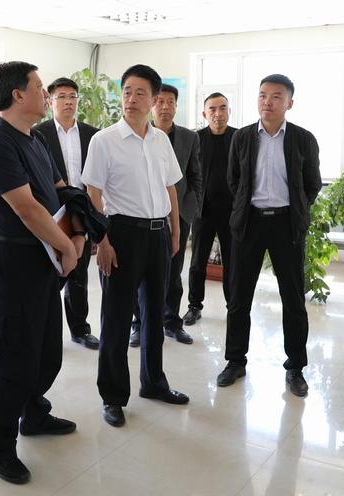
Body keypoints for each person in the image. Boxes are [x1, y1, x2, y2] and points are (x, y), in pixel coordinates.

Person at [0, 61, 82, 485]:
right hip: (14, 261)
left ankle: (34, 414)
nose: (46, 93)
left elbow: (58, 190)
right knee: (12, 359)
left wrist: (79, 233)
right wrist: (67, 248)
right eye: (40, 87)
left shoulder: (34, 138)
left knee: (44, 352)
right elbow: (27, 209)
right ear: (18, 94)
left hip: (44, 259)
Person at [82, 64, 190, 429]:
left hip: (159, 234)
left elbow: (171, 187)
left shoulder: (160, 140)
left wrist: (175, 231)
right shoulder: (104, 140)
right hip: (121, 235)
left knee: (155, 315)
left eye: (139, 92)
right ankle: (113, 396)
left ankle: (154, 383)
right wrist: (102, 240)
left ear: (155, 99)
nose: (131, 98)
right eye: (126, 91)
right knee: (116, 319)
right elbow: (93, 193)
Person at [218, 74, 322, 397]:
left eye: (276, 96)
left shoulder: (303, 139)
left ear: (289, 103)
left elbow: (312, 184)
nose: (268, 102)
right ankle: (235, 361)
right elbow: (234, 181)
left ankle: (295, 367)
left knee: (293, 299)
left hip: (286, 225)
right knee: (239, 297)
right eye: (263, 95)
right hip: (249, 224)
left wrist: (296, 210)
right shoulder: (243, 137)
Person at [130, 83, 201, 347]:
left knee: (173, 272)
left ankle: (171, 322)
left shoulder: (189, 138)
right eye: (160, 101)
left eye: (171, 102)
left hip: (178, 215)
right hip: (144, 215)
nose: (165, 107)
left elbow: (195, 176)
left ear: (176, 106)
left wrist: (189, 211)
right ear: (152, 104)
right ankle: (139, 325)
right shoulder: (138, 135)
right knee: (141, 272)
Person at [33, 77, 100, 350]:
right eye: (61, 96)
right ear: (50, 101)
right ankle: (43, 330)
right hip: (52, 214)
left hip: (82, 210)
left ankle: (80, 329)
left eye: (73, 96)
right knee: (50, 274)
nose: (68, 101)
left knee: (79, 274)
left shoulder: (92, 134)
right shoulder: (38, 134)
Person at [183, 92, 237, 326]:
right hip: (202, 211)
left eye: (222, 108)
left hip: (231, 212)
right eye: (212, 109)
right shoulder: (196, 139)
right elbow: (187, 173)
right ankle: (194, 306)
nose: (218, 114)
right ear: (205, 114)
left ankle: (233, 306)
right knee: (197, 262)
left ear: (229, 111)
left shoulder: (239, 138)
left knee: (232, 262)